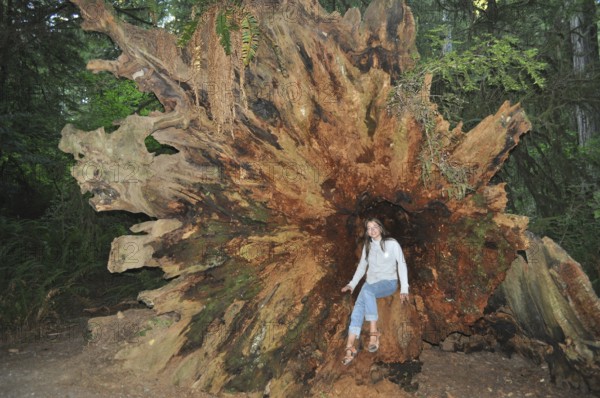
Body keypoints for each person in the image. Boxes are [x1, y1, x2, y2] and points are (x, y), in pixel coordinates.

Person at [341, 217, 409, 365]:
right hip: (370, 283)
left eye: (375, 227)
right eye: (369, 228)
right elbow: (361, 267)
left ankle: (374, 331)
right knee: (358, 307)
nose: (372, 230)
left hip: (388, 282)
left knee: (367, 292)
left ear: (381, 228)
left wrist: (404, 288)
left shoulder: (391, 244)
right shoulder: (368, 247)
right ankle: (350, 345)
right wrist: (352, 284)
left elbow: (402, 264)